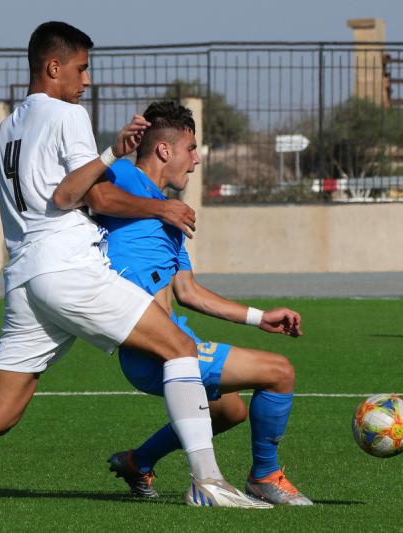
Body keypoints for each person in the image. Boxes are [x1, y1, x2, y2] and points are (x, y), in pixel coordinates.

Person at [0, 21, 269, 509]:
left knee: (0, 412)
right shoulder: (68, 115)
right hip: (67, 267)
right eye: (82, 68)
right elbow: (80, 196)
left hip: (24, 278)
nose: (86, 80)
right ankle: (208, 482)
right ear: (54, 67)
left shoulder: (8, 128)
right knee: (179, 347)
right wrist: (130, 170)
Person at [94, 101, 312, 505]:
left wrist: (260, 317)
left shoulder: (172, 220)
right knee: (279, 372)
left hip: (176, 338)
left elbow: (189, 292)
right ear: (164, 150)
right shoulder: (125, 176)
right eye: (191, 149)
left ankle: (138, 462)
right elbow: (94, 195)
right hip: (150, 347)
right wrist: (158, 205)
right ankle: (264, 476)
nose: (196, 160)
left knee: (230, 411)